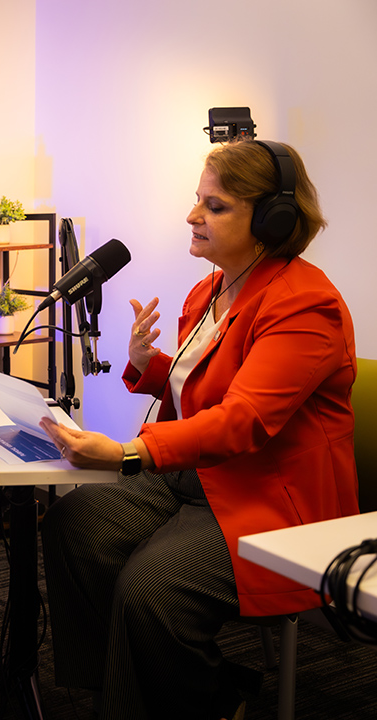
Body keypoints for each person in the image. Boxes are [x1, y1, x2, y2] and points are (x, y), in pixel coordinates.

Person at [37, 139, 358, 720]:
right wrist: (145, 362)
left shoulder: (305, 305)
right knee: (72, 524)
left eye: (215, 206)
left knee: (149, 590)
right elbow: (202, 391)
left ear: (271, 220)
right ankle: (120, 691)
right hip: (200, 478)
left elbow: (244, 420)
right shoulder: (211, 289)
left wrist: (129, 454)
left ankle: (209, 698)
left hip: (267, 497)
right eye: (197, 201)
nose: (192, 216)